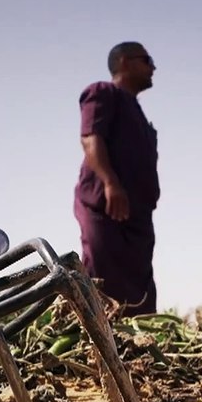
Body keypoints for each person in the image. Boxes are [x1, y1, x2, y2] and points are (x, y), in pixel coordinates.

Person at [73, 41, 160, 316]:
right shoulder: (103, 93)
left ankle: (140, 351)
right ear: (124, 62)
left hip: (137, 219)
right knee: (104, 279)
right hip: (105, 209)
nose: (153, 68)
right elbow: (90, 138)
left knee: (140, 291)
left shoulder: (137, 112)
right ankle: (102, 345)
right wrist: (110, 182)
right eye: (146, 60)